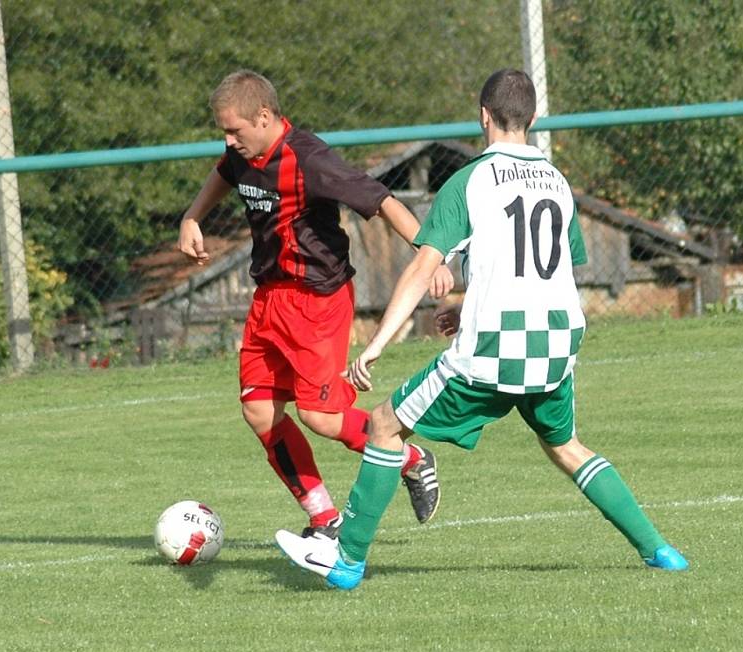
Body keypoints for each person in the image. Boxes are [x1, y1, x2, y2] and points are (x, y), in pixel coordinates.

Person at [276, 68, 689, 589]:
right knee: (566, 447)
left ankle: (347, 559)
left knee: (384, 425)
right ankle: (660, 550)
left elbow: (423, 268)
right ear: (534, 119)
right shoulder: (558, 183)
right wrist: (471, 306)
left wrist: (375, 345)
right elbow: (545, 268)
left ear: (483, 116)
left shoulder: (471, 180)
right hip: (558, 341)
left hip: (494, 347)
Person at [178, 70, 453, 538]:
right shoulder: (242, 152)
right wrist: (191, 216)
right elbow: (225, 172)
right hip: (269, 298)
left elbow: (381, 201)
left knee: (320, 416)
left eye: (233, 130)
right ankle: (324, 518)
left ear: (264, 116)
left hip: (317, 301)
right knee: (260, 411)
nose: (227, 140)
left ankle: (410, 458)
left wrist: (430, 255)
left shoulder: (309, 160)